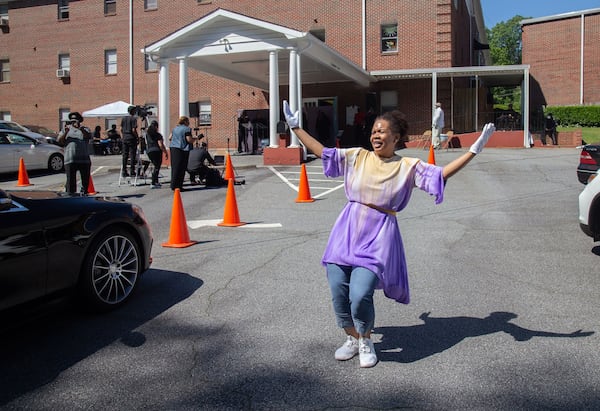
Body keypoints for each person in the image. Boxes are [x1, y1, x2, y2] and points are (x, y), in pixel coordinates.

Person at [283, 100, 496, 368]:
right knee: (338, 288)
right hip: (346, 231)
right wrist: (296, 128)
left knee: (360, 293)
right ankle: (351, 337)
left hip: (378, 237)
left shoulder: (407, 166)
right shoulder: (357, 157)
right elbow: (324, 152)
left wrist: (474, 151)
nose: (375, 135)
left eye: (381, 131)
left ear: (395, 137)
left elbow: (441, 175)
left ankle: (366, 339)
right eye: (373, 131)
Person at [57, 112, 92, 194]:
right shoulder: (66, 130)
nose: (74, 122)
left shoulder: (85, 129)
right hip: (70, 160)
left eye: (76, 120)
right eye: (72, 121)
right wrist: (66, 132)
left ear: (80, 120)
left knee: (85, 182)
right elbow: (59, 141)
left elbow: (88, 137)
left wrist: (81, 129)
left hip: (84, 160)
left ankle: (84, 195)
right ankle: (70, 196)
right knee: (70, 182)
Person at [169, 116, 194, 191]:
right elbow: (189, 140)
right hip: (182, 149)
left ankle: (173, 184)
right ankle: (179, 185)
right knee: (181, 168)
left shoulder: (175, 128)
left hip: (173, 148)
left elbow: (169, 138)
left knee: (175, 167)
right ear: (185, 122)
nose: (189, 123)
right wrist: (195, 138)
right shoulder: (187, 129)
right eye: (188, 122)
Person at [145, 120, 168, 189]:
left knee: (155, 166)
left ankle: (156, 181)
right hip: (157, 151)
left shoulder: (147, 135)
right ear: (156, 127)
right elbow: (160, 145)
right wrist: (165, 152)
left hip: (149, 151)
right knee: (157, 167)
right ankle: (153, 183)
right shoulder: (158, 135)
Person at [120, 105, 139, 178]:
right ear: (133, 111)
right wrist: (137, 137)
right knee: (132, 155)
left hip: (125, 137)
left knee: (125, 155)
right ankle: (132, 171)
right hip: (131, 138)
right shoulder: (133, 119)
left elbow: (121, 129)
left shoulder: (124, 118)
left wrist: (123, 136)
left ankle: (124, 171)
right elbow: (133, 130)